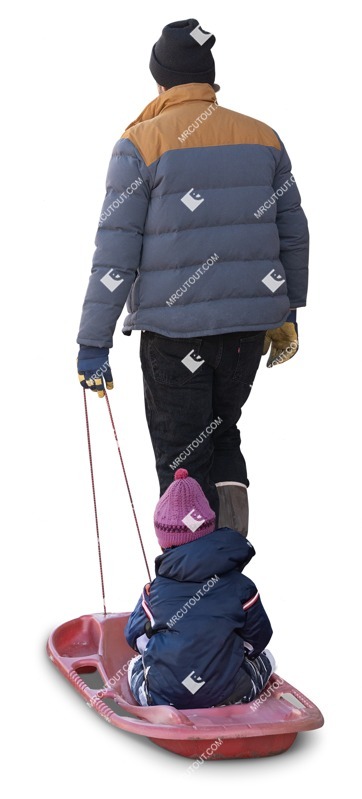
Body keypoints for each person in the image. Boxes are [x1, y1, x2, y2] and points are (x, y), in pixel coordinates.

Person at [77, 18, 309, 534]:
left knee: (182, 457)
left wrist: (93, 344)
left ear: (161, 81)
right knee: (223, 435)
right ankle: (226, 581)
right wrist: (287, 311)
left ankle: (191, 593)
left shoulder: (141, 143)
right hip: (247, 330)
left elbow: (116, 252)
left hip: (173, 335)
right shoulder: (263, 137)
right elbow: (293, 232)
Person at [124, 468, 275, 709]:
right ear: (209, 529)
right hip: (229, 693)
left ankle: (162, 700)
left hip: (165, 697)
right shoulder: (242, 587)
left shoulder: (155, 592)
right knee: (267, 659)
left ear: (164, 541)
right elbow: (259, 638)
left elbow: (134, 637)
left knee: (134, 664)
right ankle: (230, 701)